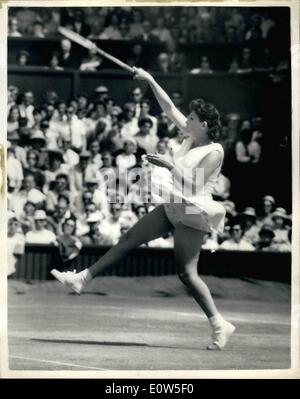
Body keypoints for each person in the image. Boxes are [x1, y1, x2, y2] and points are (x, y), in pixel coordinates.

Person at [51, 66, 235, 350]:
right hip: (173, 203)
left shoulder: (215, 151)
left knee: (187, 273)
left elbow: (194, 188)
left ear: (206, 126)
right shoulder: (190, 137)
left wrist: (170, 164)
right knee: (128, 239)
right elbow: (168, 107)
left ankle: (218, 324)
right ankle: (82, 279)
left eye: (194, 118)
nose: (188, 120)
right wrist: (150, 79)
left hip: (192, 210)